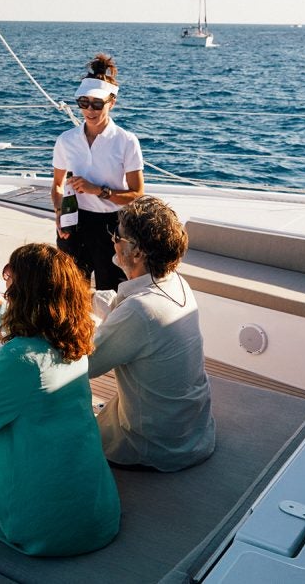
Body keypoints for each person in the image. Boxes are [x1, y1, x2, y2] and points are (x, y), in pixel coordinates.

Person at [0, 243, 120, 556]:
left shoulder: (20, 359)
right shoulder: (70, 337)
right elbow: (1, 317)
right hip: (94, 513)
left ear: (23, 293)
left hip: (47, 530)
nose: (6, 291)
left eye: (9, 282)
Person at [88, 195, 215, 471]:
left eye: (117, 236)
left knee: (51, 431)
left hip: (155, 446)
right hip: (191, 432)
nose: (113, 240)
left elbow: (82, 365)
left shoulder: (139, 311)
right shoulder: (175, 283)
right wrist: (81, 297)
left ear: (137, 252)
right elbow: (126, 311)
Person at [53, 53, 145, 289]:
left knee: (112, 292)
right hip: (75, 222)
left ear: (111, 102)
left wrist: (97, 190)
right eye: (84, 103)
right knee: (69, 291)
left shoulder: (126, 141)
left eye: (97, 104)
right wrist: (59, 215)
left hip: (113, 227)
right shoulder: (66, 140)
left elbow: (136, 194)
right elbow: (57, 185)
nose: (89, 110)